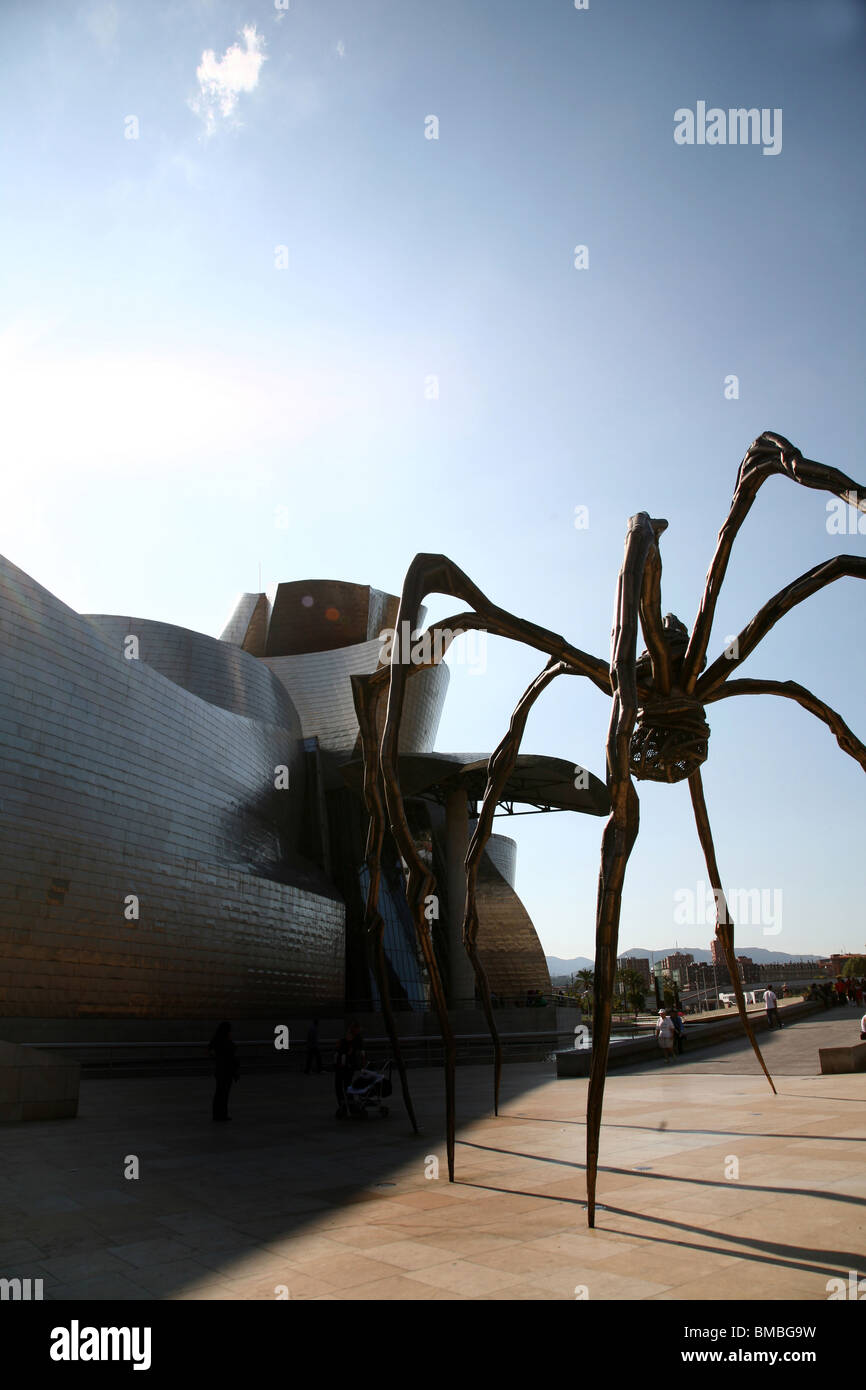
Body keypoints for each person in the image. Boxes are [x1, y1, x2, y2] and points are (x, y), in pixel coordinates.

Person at [208, 1020, 239, 1122]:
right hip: (226, 1070)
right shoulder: (225, 1041)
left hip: (220, 1070)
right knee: (224, 1094)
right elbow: (231, 1055)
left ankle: (218, 1114)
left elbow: (210, 1050)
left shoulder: (217, 1039)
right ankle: (222, 1114)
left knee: (220, 1093)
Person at [334, 1021, 365, 1117]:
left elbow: (358, 1052)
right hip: (344, 1065)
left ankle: (347, 1106)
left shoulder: (355, 1039)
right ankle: (346, 1106)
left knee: (344, 1086)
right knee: (343, 1086)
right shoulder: (351, 1039)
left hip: (347, 1066)